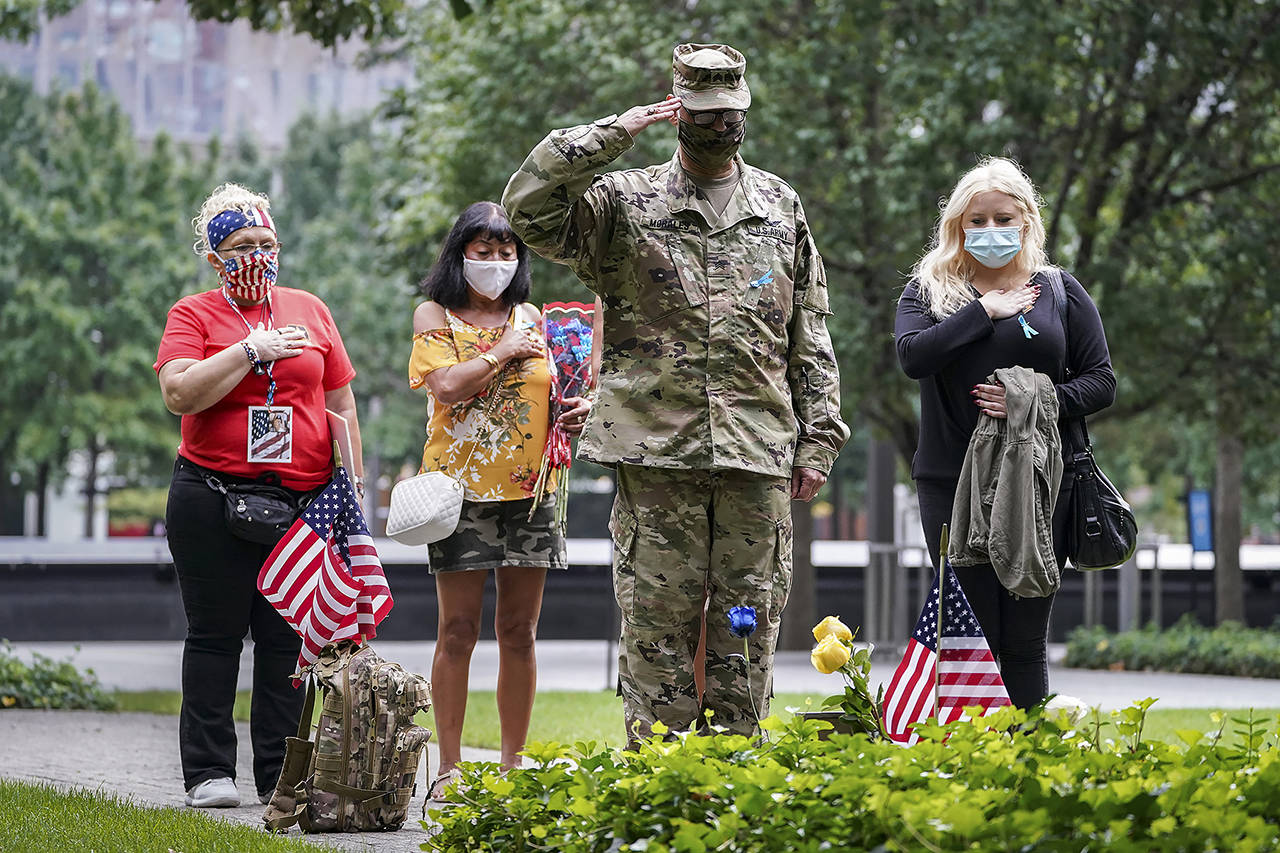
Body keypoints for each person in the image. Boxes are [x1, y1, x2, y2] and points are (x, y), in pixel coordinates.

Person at [503, 43, 849, 742]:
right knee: (657, 628)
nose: (722, 126)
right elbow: (528, 209)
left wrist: (819, 436)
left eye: (732, 112)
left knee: (747, 627)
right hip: (656, 454)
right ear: (677, 111)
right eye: (704, 113)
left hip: (757, 454)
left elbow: (808, 328)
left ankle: (732, 786)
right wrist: (617, 130)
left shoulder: (780, 205)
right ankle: (661, 791)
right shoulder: (623, 203)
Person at [155, 182, 366, 808]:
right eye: (242, 246)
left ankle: (280, 775)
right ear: (216, 258)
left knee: (285, 643)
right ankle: (209, 772)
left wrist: (349, 483)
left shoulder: (309, 307)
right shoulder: (193, 314)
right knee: (216, 634)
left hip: (300, 504)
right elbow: (179, 394)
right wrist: (247, 352)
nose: (258, 255)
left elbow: (339, 399)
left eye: (267, 243)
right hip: (211, 497)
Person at [894, 157, 1116, 709]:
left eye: (1003, 219)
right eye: (978, 220)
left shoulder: (1060, 291)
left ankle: (1028, 765)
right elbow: (912, 357)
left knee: (1023, 639)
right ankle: (968, 773)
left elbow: (1102, 381)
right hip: (950, 485)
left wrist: (1037, 400)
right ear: (957, 226)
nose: (990, 231)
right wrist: (984, 311)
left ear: (1027, 222)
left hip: (1041, 482)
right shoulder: (929, 291)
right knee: (969, 636)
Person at [408, 201, 592, 801]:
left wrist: (576, 406)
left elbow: (551, 391)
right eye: (482, 251)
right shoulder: (434, 314)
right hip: (457, 495)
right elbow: (447, 386)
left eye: (507, 252)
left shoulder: (536, 316)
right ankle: (450, 768)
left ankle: (514, 766)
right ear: (460, 255)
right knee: (456, 631)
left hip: (532, 493)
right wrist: (504, 351)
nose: (495, 263)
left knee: (519, 630)